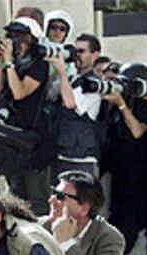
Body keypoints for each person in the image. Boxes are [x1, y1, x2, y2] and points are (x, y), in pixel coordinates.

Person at [103, 63, 147, 255]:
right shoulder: (119, 107)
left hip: (139, 181)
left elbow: (137, 131)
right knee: (119, 235)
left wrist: (121, 105)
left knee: (132, 238)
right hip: (120, 180)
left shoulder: (145, 105)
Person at [0, 16, 49, 203]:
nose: (16, 43)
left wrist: (9, 62)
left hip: (34, 143)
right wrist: (2, 61)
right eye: (12, 36)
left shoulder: (40, 65)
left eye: (21, 38)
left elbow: (19, 92)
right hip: (14, 141)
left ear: (32, 41)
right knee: (17, 200)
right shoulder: (12, 65)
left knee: (37, 201)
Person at [40, 170, 125, 255]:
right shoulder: (40, 226)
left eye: (60, 196)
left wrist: (66, 244)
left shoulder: (109, 238)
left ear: (84, 208)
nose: (51, 200)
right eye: (53, 192)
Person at [48, 33, 102, 179]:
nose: (77, 55)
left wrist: (61, 72)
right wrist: (56, 67)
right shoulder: (72, 79)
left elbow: (70, 103)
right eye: (75, 51)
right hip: (61, 155)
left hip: (82, 160)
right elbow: (48, 95)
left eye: (82, 51)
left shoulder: (93, 85)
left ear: (95, 55)